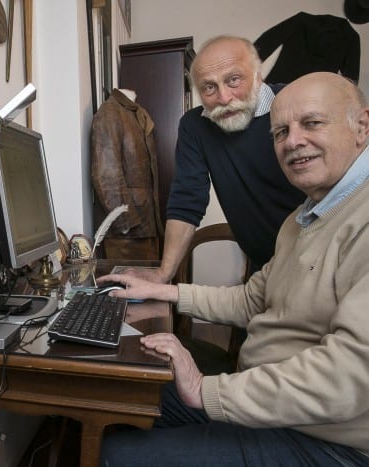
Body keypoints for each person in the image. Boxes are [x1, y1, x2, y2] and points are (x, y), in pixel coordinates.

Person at [98, 72, 369, 466]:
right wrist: (166, 291)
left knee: (116, 454)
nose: (293, 141)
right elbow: (251, 299)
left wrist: (206, 391)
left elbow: (349, 375)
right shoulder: (302, 217)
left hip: (328, 441)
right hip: (266, 401)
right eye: (280, 132)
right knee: (125, 396)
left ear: (362, 126)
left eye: (311, 123)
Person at [134, 35, 305, 284]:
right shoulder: (194, 127)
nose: (224, 98)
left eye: (233, 80)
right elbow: (186, 201)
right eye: (209, 87)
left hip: (321, 261)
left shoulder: (295, 105)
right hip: (264, 268)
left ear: (258, 77)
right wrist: (163, 273)